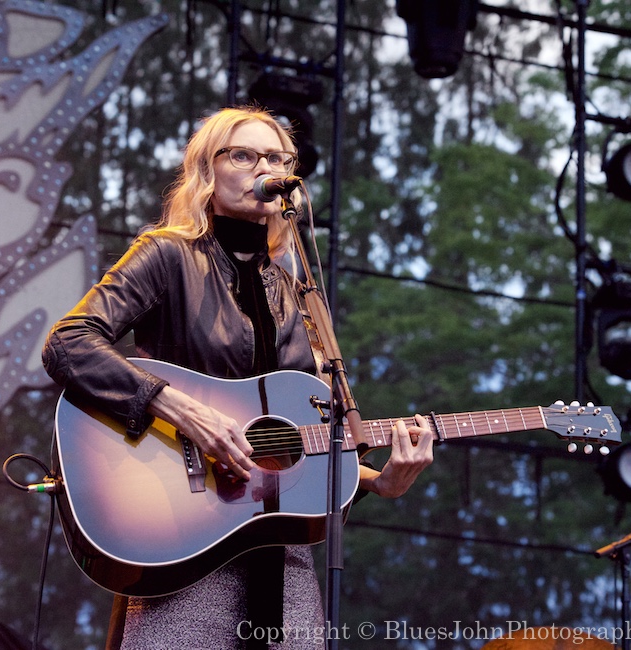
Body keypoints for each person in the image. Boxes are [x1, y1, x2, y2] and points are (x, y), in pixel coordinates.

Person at [42, 105, 434, 649]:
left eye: (276, 158)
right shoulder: (168, 255)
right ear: (208, 169)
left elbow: (296, 451)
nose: (264, 167)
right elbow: (68, 342)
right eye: (244, 155)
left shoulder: (294, 290)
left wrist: (379, 483)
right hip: (182, 541)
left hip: (284, 564)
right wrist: (176, 406)